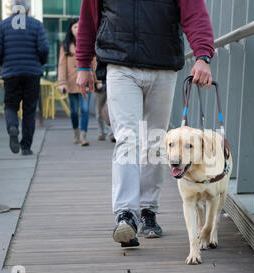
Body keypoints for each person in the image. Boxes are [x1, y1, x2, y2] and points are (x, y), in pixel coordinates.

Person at [76, 0, 214, 247]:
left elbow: (195, 14)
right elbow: (89, 19)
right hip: (120, 64)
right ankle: (126, 215)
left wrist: (203, 55)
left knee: (155, 140)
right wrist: (83, 64)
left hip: (163, 66)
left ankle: (148, 209)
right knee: (127, 139)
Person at [0, 0, 49, 156]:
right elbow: (44, 48)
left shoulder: (3, 26)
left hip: (11, 73)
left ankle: (12, 126)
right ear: (28, 9)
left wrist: (4, 63)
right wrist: (39, 63)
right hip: (32, 74)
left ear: (12, 8)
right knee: (29, 110)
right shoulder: (36, 25)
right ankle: (26, 147)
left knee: (11, 106)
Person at [58, 18, 96, 146]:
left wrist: (98, 80)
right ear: (70, 29)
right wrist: (62, 82)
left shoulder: (88, 42)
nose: (77, 29)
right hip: (71, 82)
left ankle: (83, 136)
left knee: (85, 109)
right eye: (75, 27)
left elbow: (93, 62)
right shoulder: (65, 45)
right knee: (74, 111)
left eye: (80, 26)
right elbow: (61, 65)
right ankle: (75, 133)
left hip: (85, 81)